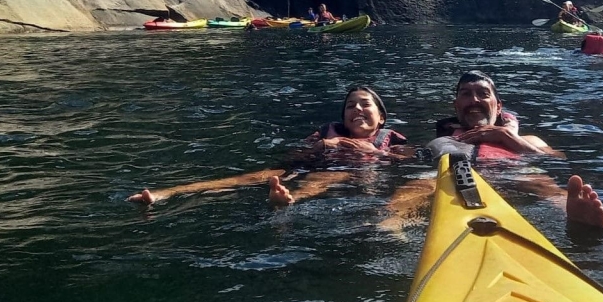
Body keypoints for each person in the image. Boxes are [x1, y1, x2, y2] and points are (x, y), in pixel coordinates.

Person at [384, 70, 603, 230]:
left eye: (483, 94)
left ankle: (575, 214)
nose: (474, 100)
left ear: (498, 106)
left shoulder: (525, 139)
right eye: (466, 94)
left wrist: (506, 137)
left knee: (541, 183)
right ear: (456, 105)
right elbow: (400, 156)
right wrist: (380, 151)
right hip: (448, 175)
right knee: (418, 186)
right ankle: (393, 223)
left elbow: (555, 158)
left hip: (511, 173)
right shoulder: (443, 141)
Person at [127, 87, 409, 206]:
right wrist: (322, 146)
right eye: (350, 106)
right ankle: (167, 193)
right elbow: (293, 156)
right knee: (246, 178)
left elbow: (409, 162)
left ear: (381, 118)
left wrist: (374, 152)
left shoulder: (390, 141)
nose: (356, 109)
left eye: (364, 104)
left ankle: (288, 199)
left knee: (324, 179)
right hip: (311, 164)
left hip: (349, 172)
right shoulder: (327, 134)